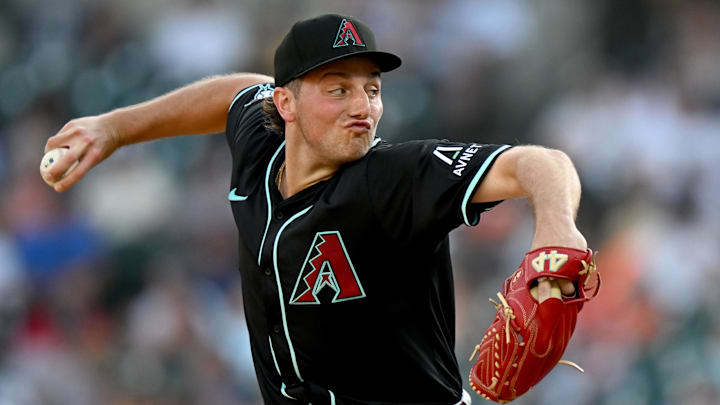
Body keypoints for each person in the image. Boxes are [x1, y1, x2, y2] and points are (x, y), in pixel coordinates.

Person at [43, 13, 587, 405]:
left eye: (372, 90)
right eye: (338, 88)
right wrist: (114, 128)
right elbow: (236, 92)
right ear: (286, 105)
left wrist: (556, 229)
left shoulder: (395, 179)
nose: (363, 108)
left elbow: (539, 164)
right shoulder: (260, 148)